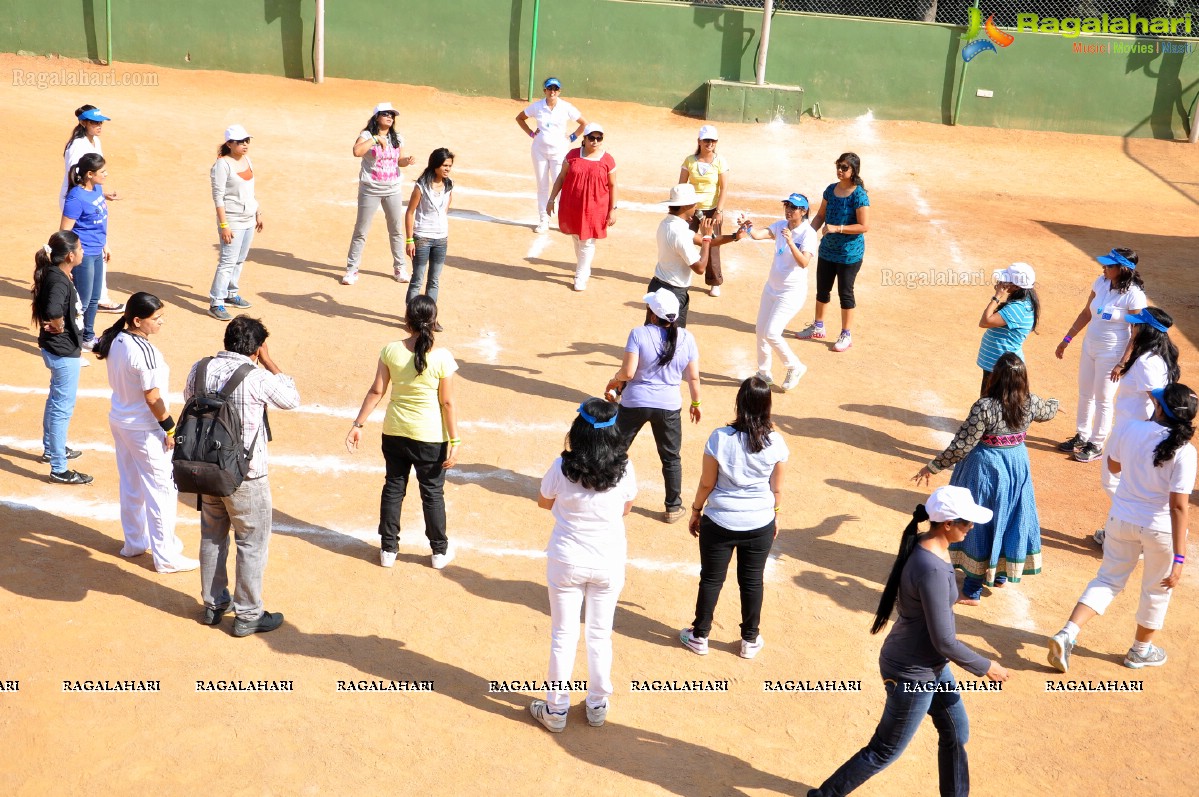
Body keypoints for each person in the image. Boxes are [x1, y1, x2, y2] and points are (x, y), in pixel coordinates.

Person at [807, 486, 1009, 797]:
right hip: (912, 673)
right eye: (966, 523)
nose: (970, 528)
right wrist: (985, 666)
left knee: (956, 732)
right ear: (947, 524)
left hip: (929, 665)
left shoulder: (929, 548)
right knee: (884, 750)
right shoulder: (930, 568)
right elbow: (944, 640)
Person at [1048, 384, 1196, 673]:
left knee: (1107, 580)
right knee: (1156, 591)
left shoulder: (1129, 429)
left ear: (1160, 408)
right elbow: (1179, 507)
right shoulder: (1186, 452)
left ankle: (1068, 633)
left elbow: (1114, 467)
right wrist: (1179, 558)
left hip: (1121, 520)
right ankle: (1140, 652)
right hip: (1160, 531)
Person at [529, 398, 638, 733]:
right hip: (608, 561)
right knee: (599, 636)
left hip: (567, 559)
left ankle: (556, 710)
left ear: (579, 430)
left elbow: (543, 501)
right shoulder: (624, 468)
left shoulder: (563, 466)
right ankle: (596, 706)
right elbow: (626, 508)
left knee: (563, 635)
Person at [186, 316, 299, 636]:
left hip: (206, 468)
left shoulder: (200, 368)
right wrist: (269, 361)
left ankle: (212, 605)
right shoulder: (257, 377)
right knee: (251, 542)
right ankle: (248, 614)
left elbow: (188, 401)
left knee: (212, 535)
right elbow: (292, 399)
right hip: (246, 476)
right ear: (257, 348)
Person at [914, 353, 1058, 604]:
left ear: (996, 377)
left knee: (977, 520)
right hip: (1016, 465)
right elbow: (1048, 411)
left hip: (985, 469)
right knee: (1008, 515)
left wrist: (933, 466)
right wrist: (1055, 403)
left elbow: (962, 446)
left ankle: (972, 590)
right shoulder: (1030, 402)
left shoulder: (985, 407)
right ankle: (1000, 574)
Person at [346, 295, 460, 569]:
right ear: (434, 322)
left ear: (406, 320)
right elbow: (446, 402)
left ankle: (388, 550)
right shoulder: (443, 357)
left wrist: (358, 424)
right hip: (430, 437)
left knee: (394, 486)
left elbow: (377, 391)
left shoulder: (390, 350)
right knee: (432, 493)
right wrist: (454, 439)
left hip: (395, 431)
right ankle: (439, 553)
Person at [680, 376, 787, 659]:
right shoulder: (776, 442)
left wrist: (695, 511)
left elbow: (706, 483)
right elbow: (776, 488)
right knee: (752, 581)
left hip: (719, 521)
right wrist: (774, 516)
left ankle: (700, 635)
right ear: (767, 406)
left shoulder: (719, 438)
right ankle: (749, 641)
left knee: (711, 580)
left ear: (739, 403)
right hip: (759, 522)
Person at [93, 293, 199, 573]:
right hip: (144, 429)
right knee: (162, 489)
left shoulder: (116, 338)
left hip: (121, 421)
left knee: (131, 483)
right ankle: (166, 557)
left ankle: (135, 543)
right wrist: (170, 427)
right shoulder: (145, 351)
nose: (161, 322)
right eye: (156, 318)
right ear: (138, 320)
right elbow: (153, 398)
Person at [606, 289, 700, 523]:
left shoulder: (638, 334)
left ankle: (605, 495)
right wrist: (695, 402)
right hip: (669, 406)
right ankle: (673, 507)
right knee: (671, 458)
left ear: (652, 314)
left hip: (634, 402)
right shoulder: (687, 338)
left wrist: (614, 380)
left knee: (614, 449)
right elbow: (693, 377)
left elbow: (628, 372)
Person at [1092, 307, 1179, 544]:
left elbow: (1157, 402)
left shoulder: (1147, 362)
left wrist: (1148, 434)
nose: (1132, 327)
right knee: (1126, 482)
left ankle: (1133, 533)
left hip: (1132, 431)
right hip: (1135, 429)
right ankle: (1124, 531)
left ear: (1145, 329)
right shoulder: (1154, 356)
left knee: (1113, 480)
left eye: (1136, 324)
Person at [1055, 247, 1148, 463]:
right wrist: (1067, 339)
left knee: (1103, 399)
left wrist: (1122, 362)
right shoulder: (1100, 282)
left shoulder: (1134, 295)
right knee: (1085, 393)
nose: (1103, 267)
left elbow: (1137, 332)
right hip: (1090, 346)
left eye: (1109, 265)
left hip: (1113, 352)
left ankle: (1096, 444)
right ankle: (1081, 436)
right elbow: (1086, 313)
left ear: (1123, 269)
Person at [32, 231, 92, 485]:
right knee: (61, 408)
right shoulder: (58, 280)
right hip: (63, 352)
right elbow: (53, 309)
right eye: (79, 248)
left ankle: (51, 449)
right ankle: (59, 467)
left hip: (58, 349)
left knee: (56, 400)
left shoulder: (55, 273)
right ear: (70, 255)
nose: (82, 252)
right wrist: (56, 323)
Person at [796, 152, 871, 353]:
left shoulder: (859, 195)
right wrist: (807, 234)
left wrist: (838, 228)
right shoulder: (830, 190)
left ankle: (846, 334)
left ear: (854, 170)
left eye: (844, 167)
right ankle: (818, 326)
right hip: (828, 250)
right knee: (822, 290)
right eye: (838, 166)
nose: (840, 170)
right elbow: (821, 215)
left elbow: (864, 226)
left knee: (845, 293)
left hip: (849, 254)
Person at [744, 193, 818, 391]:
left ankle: (795, 366)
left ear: (803, 211)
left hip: (791, 293)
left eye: (793, 207)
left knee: (772, 332)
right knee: (761, 331)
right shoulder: (780, 225)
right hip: (771, 289)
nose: (788, 210)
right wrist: (747, 227)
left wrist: (791, 242)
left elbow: (804, 262)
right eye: (787, 206)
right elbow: (759, 235)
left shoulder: (808, 234)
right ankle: (764, 373)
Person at [649, 184, 744, 328]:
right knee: (673, 341)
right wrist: (706, 236)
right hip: (673, 293)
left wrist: (734, 236)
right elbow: (700, 267)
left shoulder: (668, 223)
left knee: (652, 335)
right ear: (685, 206)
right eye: (694, 203)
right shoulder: (679, 233)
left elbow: (703, 241)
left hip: (658, 287)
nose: (696, 207)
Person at [342, 102, 417, 286]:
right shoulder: (366, 135)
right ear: (377, 117)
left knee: (396, 230)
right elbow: (356, 151)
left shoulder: (397, 138)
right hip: (370, 189)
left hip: (392, 189)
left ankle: (400, 268)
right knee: (361, 230)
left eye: (392, 115)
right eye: (386, 114)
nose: (390, 117)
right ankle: (352, 270)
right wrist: (375, 139)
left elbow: (399, 161)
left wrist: (407, 160)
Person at [60, 104, 122, 314]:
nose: (99, 125)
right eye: (95, 122)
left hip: (89, 196)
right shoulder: (78, 145)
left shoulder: (95, 140)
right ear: (83, 122)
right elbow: (75, 175)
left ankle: (96, 294)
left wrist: (99, 194)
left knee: (96, 244)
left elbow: (91, 174)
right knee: (83, 245)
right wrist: (83, 197)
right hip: (77, 198)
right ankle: (91, 296)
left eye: (100, 122)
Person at [546, 123, 616, 292]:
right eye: (591, 138)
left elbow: (613, 185)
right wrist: (551, 199)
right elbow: (562, 178)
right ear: (584, 139)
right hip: (572, 204)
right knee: (577, 238)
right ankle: (584, 268)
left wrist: (613, 209)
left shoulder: (607, 160)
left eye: (599, 138)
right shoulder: (572, 155)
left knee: (586, 241)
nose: (595, 141)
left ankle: (581, 275)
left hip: (595, 207)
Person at [515, 77, 587, 233]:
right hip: (539, 151)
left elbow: (583, 123)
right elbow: (520, 118)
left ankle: (564, 220)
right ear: (545, 91)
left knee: (560, 185)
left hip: (559, 152)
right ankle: (543, 220)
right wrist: (531, 134)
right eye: (549, 88)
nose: (552, 91)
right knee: (542, 186)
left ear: (559, 91)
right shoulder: (537, 106)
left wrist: (572, 138)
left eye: (555, 89)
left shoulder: (566, 107)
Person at [208, 125, 263, 321]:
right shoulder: (222, 165)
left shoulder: (247, 160)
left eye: (247, 140)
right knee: (227, 261)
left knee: (239, 259)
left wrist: (258, 211)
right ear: (229, 144)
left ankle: (231, 294)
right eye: (240, 142)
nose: (245, 144)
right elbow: (218, 198)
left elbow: (250, 190)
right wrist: (224, 225)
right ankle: (216, 302)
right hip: (232, 220)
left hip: (248, 218)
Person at [59, 152, 110, 350]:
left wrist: (105, 243)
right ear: (90, 174)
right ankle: (73, 341)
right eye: (102, 171)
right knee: (83, 301)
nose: (106, 174)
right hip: (84, 255)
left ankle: (88, 336)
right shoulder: (75, 198)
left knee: (95, 298)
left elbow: (100, 220)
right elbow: (64, 232)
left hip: (97, 250)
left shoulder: (97, 189)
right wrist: (69, 262)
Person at [678, 125, 731, 297]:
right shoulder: (689, 161)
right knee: (682, 241)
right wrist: (681, 209)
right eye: (706, 140)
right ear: (699, 141)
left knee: (712, 244)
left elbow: (723, 189)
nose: (710, 143)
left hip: (711, 209)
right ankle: (680, 277)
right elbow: (681, 186)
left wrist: (719, 211)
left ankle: (715, 282)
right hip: (690, 209)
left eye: (713, 140)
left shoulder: (720, 161)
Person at [977, 262, 1039, 395]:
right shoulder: (1023, 302)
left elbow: (985, 321)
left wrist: (997, 296)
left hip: (1001, 367)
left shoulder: (1018, 308)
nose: (1001, 282)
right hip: (999, 365)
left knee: (990, 407)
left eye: (1006, 280)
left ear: (1016, 286)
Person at [404, 147, 454, 305]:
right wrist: (409, 240)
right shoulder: (421, 186)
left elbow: (445, 207)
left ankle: (430, 318)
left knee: (434, 281)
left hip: (441, 239)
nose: (447, 169)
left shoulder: (449, 186)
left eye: (449, 166)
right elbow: (410, 212)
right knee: (417, 280)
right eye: (445, 165)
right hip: (422, 238)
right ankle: (411, 317)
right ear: (435, 165)